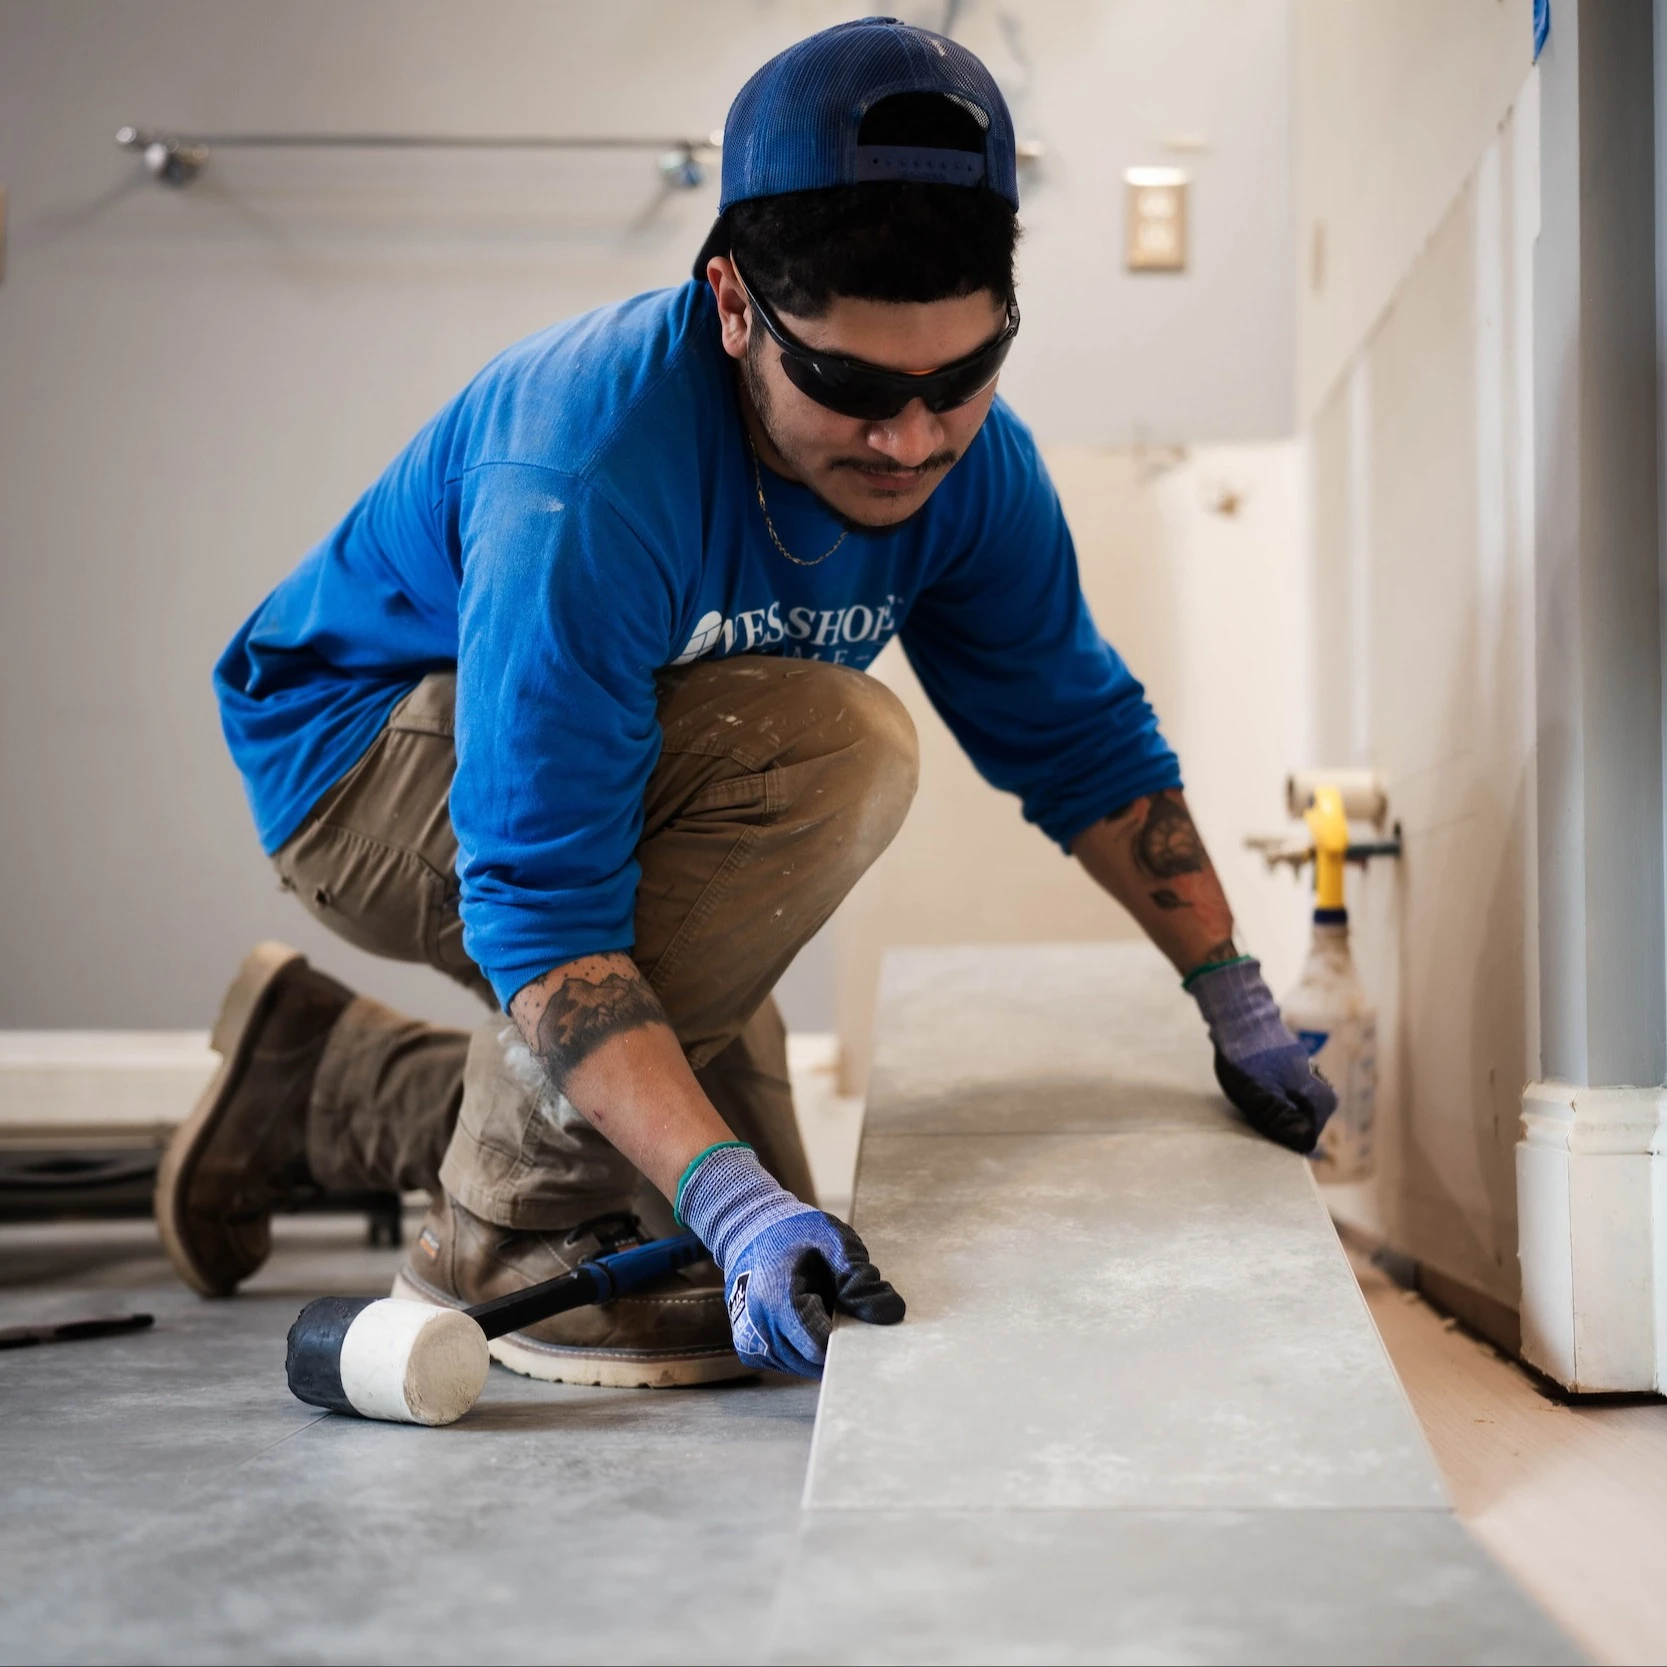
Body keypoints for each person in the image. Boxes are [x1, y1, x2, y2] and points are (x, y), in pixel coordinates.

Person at [159, 18, 1335, 1387]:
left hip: (616, 764)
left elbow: (1080, 740)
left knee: (780, 1195)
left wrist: (1230, 993)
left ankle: (315, 1080)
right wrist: (714, 1198)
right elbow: (541, 895)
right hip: (354, 755)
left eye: (959, 380)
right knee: (837, 750)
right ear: (733, 305)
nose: (910, 442)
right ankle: (496, 1235)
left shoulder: (971, 466)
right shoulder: (589, 467)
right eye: (849, 386)